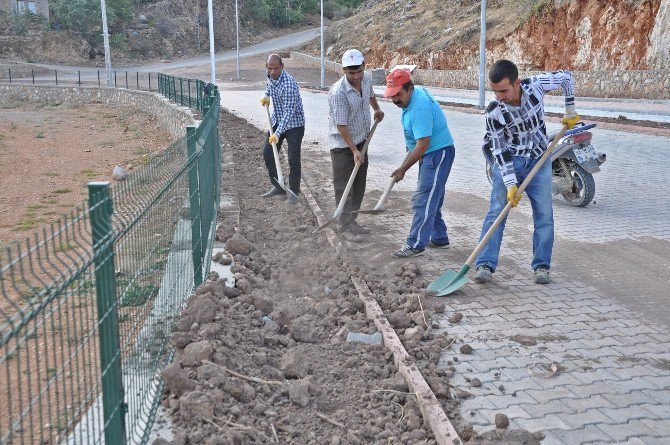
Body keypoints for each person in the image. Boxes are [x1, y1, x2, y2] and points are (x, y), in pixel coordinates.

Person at [474, 59, 580, 284]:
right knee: (496, 212)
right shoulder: (494, 112)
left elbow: (566, 77)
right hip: (510, 161)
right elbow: (499, 151)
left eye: (503, 90)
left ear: (517, 83)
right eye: (494, 91)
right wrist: (511, 183)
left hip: (540, 160)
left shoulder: (536, 86)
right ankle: (485, 263)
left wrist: (570, 109)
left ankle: (542, 265)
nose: (499, 96)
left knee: (544, 215)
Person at [383, 69, 456, 258]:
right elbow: (417, 139)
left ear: (410, 89)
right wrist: (410, 152)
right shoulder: (414, 96)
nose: (395, 100)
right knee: (433, 196)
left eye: (399, 95)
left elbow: (423, 143)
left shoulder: (419, 108)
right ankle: (439, 238)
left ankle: (415, 244)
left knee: (423, 199)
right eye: (392, 95)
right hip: (429, 152)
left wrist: (402, 169)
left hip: (437, 153)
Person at [328, 48, 384, 242]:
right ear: (344, 71)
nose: (356, 76)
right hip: (343, 145)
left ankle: (353, 221)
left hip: (362, 139)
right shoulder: (339, 92)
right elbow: (341, 125)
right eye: (351, 73)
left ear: (364, 66)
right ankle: (344, 226)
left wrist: (376, 108)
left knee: (359, 184)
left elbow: (369, 94)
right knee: (345, 185)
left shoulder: (366, 79)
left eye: (359, 71)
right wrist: (353, 150)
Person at [260, 53, 305, 204]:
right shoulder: (270, 76)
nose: (272, 72)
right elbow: (269, 85)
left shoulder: (289, 85)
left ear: (282, 67)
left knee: (293, 158)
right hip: (277, 120)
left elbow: (289, 113)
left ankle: (294, 191)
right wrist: (266, 96)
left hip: (294, 124)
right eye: (270, 68)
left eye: (276, 68)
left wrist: (277, 134)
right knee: (268, 153)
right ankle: (278, 186)